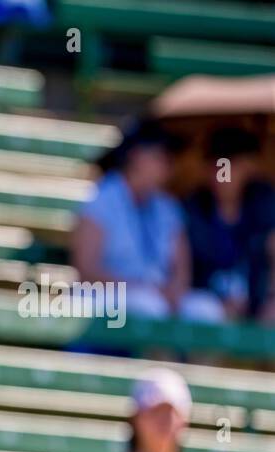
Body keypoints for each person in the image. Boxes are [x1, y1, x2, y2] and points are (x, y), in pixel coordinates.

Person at [73, 121, 225, 324]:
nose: (167, 168)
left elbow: (181, 267)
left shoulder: (167, 206)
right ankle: (161, 357)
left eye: (169, 160)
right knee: (149, 306)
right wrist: (138, 287)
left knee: (207, 310)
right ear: (136, 157)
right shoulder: (101, 199)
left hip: (155, 294)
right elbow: (87, 270)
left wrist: (175, 292)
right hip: (105, 294)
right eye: (160, 158)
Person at [183, 127, 275, 323]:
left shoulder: (265, 206)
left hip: (257, 305)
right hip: (205, 304)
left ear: (248, 167)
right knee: (203, 311)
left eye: (231, 166)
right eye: (217, 166)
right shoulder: (193, 209)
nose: (222, 176)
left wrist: (270, 299)